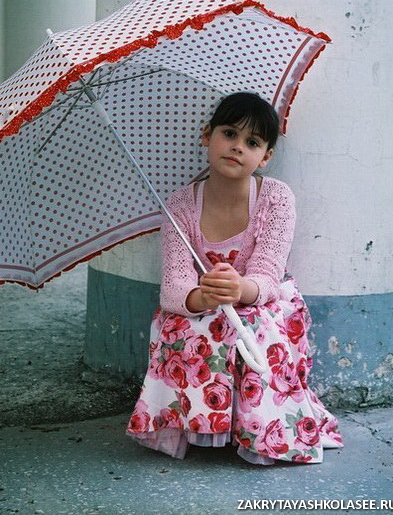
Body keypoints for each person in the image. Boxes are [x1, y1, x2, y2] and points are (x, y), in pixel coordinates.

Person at [126, 92, 344, 465]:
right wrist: (203, 297)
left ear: (266, 156)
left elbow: (268, 275)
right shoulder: (179, 205)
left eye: (252, 142)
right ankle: (197, 422)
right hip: (203, 300)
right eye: (229, 134)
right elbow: (174, 286)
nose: (238, 147)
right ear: (207, 135)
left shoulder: (275, 198)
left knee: (256, 327)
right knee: (182, 328)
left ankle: (259, 428)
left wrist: (241, 288)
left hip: (261, 298)